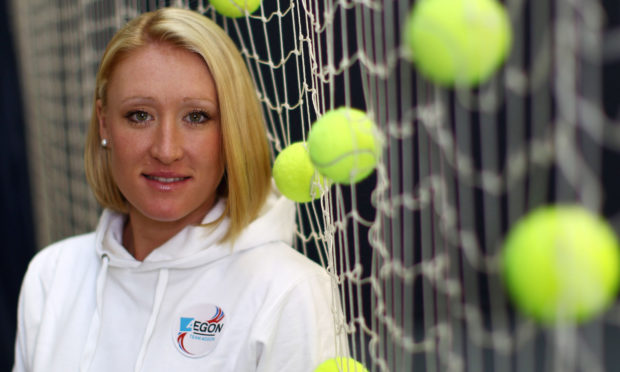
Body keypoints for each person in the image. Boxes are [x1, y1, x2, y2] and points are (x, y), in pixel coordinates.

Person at [13, 8, 348, 372]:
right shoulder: (52, 274)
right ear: (104, 122)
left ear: (231, 131)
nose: (166, 149)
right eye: (140, 115)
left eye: (196, 117)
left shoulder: (290, 290)